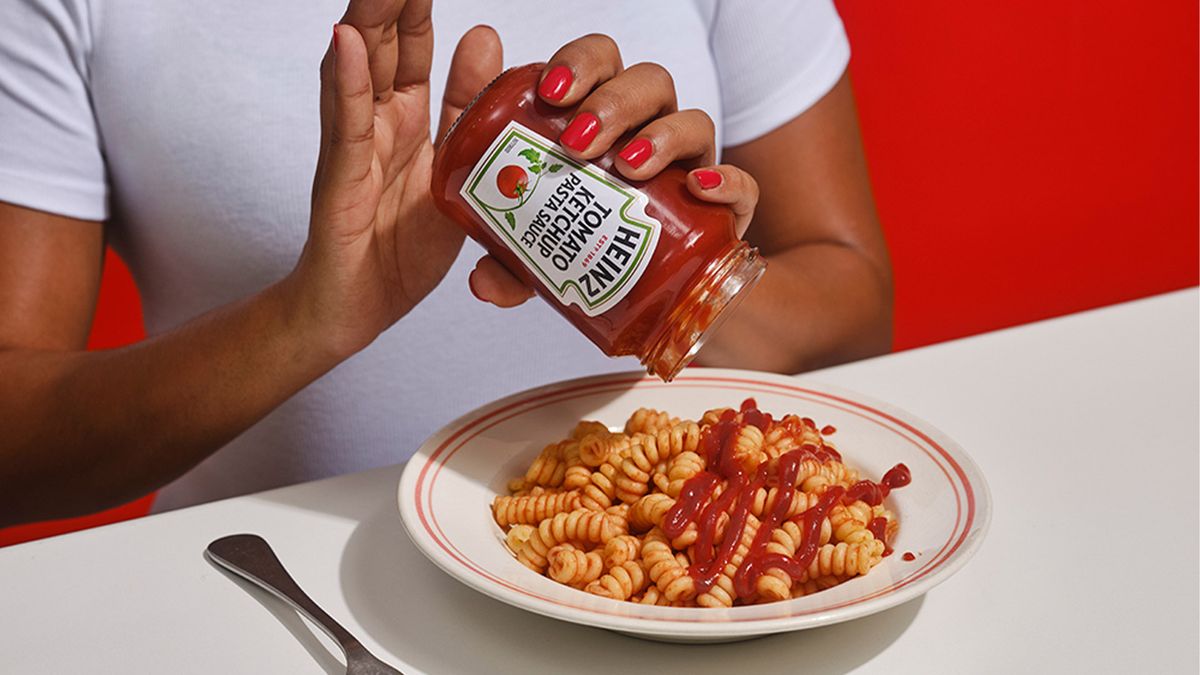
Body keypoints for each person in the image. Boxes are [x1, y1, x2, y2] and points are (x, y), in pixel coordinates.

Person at [0, 0, 891, 526]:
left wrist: (682, 292)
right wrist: (309, 321)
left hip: (658, 581)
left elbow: (858, 307)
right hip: (284, 608)